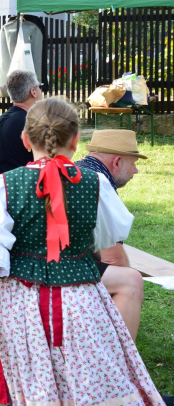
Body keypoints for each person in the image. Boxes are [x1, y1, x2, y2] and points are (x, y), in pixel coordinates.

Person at [0, 97, 164, 406]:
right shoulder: (96, 184)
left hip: (19, 303)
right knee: (85, 376)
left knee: (28, 379)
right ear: (76, 140)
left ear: (25, 139)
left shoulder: (0, 188)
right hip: (82, 300)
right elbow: (105, 241)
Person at [76, 129, 147, 340]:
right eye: (133, 162)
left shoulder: (78, 169)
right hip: (58, 269)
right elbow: (112, 257)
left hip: (28, 263)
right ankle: (120, 360)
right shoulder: (98, 182)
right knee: (131, 281)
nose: (135, 171)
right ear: (116, 162)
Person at [0, 69, 43, 178]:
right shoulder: (28, 121)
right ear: (33, 91)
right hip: (17, 187)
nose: (41, 89)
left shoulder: (2, 118)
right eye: (39, 86)